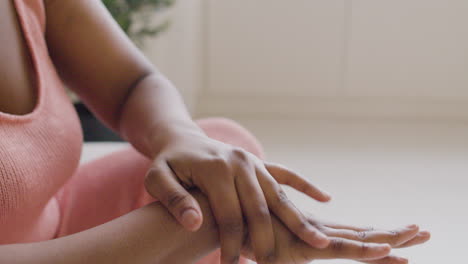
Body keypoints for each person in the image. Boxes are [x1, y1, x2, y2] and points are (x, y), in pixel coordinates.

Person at [0, 0, 430, 263]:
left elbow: (132, 84)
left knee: (225, 150)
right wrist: (210, 223)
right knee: (222, 203)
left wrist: (179, 138)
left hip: (52, 220)